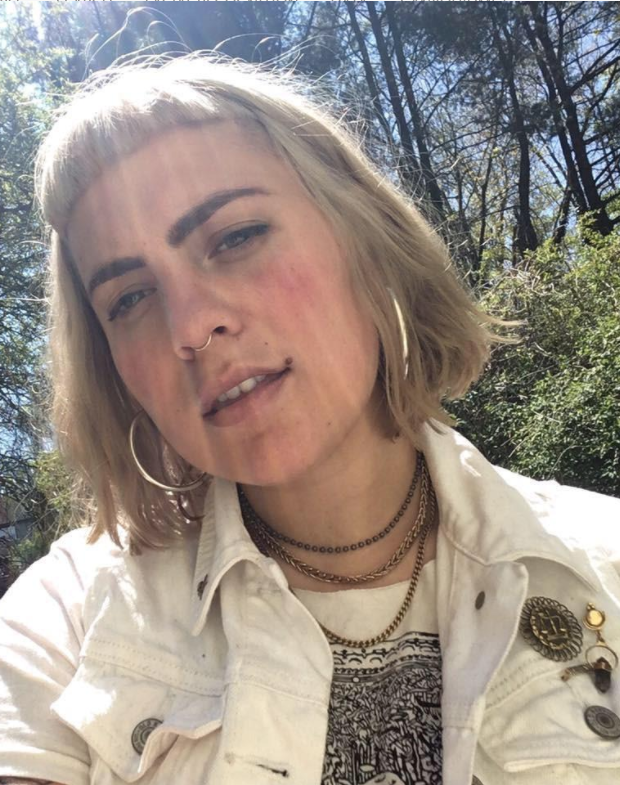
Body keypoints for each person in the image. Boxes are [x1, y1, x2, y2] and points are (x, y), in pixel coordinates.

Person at [1, 54, 619, 785]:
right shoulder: (66, 623)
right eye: (130, 298)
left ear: (364, 239)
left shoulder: (603, 559)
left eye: (234, 237)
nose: (190, 327)